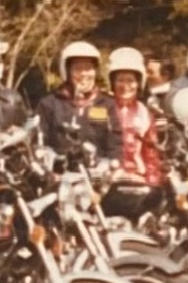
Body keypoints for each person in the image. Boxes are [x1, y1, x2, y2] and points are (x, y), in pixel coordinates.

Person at [36, 40, 121, 160]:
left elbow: (116, 143)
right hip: (60, 169)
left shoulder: (107, 104)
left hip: (97, 169)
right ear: (67, 71)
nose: (84, 74)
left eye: (89, 68)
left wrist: (114, 164)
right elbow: (39, 141)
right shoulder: (49, 104)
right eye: (78, 68)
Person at [107, 47, 162, 184]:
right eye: (120, 80)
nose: (125, 86)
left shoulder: (144, 112)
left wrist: (152, 181)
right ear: (112, 82)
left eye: (130, 80)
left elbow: (151, 154)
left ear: (139, 83)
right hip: (108, 178)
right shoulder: (103, 108)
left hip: (138, 177)